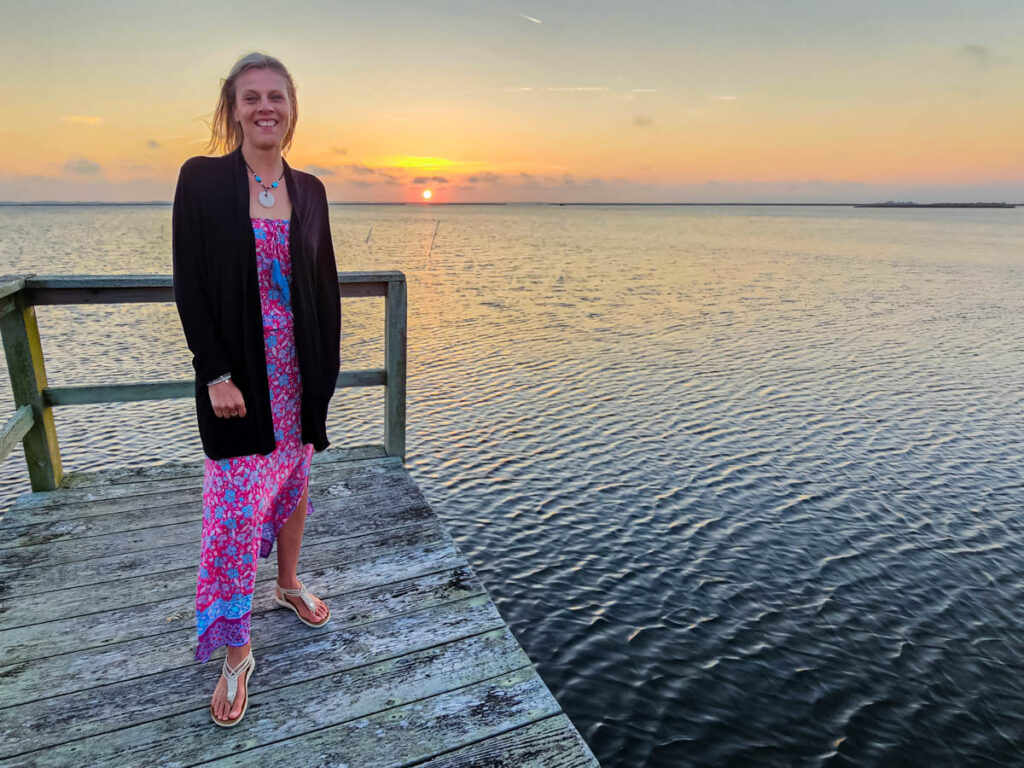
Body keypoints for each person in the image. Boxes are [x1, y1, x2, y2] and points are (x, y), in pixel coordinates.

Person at [172, 51, 341, 727]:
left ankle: (289, 584)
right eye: (252, 98)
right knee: (232, 520)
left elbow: (322, 284)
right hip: (238, 385)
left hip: (298, 380)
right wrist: (213, 372)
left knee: (296, 489)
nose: (265, 107)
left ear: (292, 107)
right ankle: (236, 653)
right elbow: (190, 282)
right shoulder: (203, 181)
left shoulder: (313, 191)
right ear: (233, 109)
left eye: (276, 96)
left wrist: (324, 377)